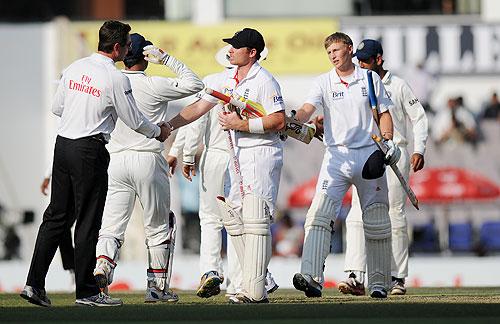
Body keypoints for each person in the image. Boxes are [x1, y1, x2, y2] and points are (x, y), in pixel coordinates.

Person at [20, 20, 172, 308]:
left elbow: (57, 107)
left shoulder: (75, 67)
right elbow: (134, 119)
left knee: (56, 218)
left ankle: (34, 284)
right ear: (116, 47)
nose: (128, 50)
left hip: (63, 145)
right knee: (89, 221)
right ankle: (87, 292)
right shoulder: (116, 78)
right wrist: (158, 132)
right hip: (89, 149)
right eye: (127, 45)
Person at [92, 33, 204, 303]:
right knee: (158, 226)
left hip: (116, 159)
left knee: (111, 225)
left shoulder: (110, 82)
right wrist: (167, 59)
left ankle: (103, 267)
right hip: (148, 158)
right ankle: (156, 288)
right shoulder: (154, 84)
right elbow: (195, 84)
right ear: (145, 57)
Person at [291, 32, 400, 299]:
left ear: (349, 49)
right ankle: (312, 277)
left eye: (337, 50)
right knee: (318, 216)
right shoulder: (323, 82)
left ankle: (377, 282)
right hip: (336, 156)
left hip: (368, 154)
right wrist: (291, 118)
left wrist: (389, 142)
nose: (333, 56)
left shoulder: (370, 78)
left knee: (376, 221)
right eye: (329, 53)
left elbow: (384, 114)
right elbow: (307, 109)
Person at [167, 44, 278, 300]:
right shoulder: (260, 83)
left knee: (210, 218)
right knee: (240, 220)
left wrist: (185, 156)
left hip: (215, 156)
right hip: (242, 156)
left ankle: (210, 271)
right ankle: (240, 282)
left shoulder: (213, 81)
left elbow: (195, 120)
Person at [338, 39, 429, 296]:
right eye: (359, 60)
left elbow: (419, 119)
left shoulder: (397, 85)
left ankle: (396, 276)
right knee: (356, 213)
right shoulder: (356, 84)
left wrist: (418, 149)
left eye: (366, 60)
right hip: (364, 154)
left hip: (393, 153)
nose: (361, 64)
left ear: (379, 59)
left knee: (394, 215)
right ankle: (355, 274)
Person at [40, 164, 75, 276]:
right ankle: (73, 268)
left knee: (89, 227)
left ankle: (91, 267)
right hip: (70, 186)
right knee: (62, 227)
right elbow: (61, 153)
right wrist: (47, 175)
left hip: (89, 181)